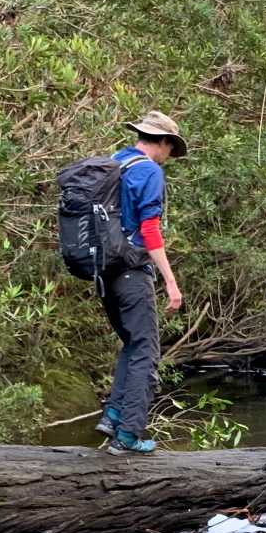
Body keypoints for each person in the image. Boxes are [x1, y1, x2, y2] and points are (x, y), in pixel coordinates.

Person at [90, 111, 188, 453]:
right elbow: (149, 230)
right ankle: (129, 435)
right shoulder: (148, 170)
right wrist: (171, 282)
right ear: (161, 142)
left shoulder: (114, 162)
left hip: (105, 271)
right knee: (146, 350)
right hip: (132, 271)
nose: (168, 157)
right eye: (169, 149)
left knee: (132, 344)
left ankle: (113, 414)